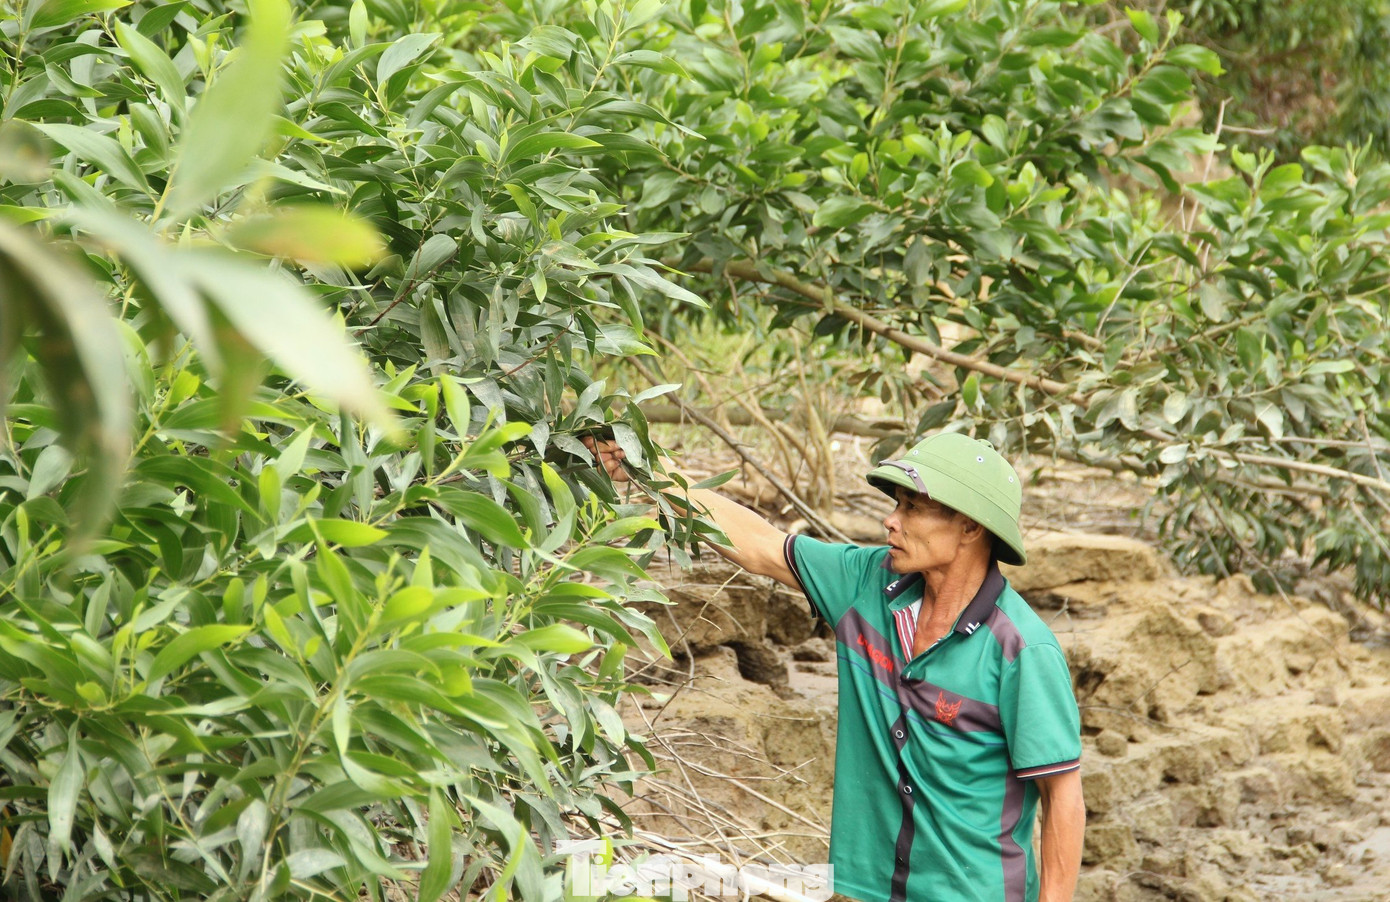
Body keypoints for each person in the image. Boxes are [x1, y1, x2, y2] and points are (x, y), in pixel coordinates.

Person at [585, 430, 1085, 902]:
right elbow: (759, 546)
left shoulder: (1024, 651)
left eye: (913, 507)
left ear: (970, 527)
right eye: (897, 504)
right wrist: (652, 468)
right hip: (867, 884)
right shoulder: (865, 583)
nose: (892, 520)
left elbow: (1062, 794)